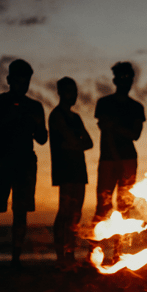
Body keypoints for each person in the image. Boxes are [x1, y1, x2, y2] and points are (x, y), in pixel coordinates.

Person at [0, 59, 47, 268]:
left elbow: (42, 139)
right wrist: (7, 118)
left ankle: (15, 260)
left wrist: (37, 123)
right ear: (9, 80)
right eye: (19, 81)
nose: (22, 86)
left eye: (26, 82)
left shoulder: (35, 106)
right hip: (1, 163)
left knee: (21, 213)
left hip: (25, 165)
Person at [49, 77, 93, 268]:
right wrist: (76, 143)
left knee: (76, 213)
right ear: (60, 92)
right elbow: (71, 139)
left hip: (79, 167)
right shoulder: (56, 115)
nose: (73, 95)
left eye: (75, 91)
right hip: (64, 167)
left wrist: (75, 144)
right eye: (69, 91)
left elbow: (89, 142)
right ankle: (61, 255)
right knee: (65, 211)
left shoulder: (76, 117)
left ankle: (70, 253)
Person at [93, 62, 145, 223]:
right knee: (103, 204)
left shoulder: (136, 107)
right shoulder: (104, 103)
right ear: (115, 80)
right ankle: (93, 247)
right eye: (121, 77)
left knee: (125, 206)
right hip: (108, 159)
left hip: (128, 160)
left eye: (128, 78)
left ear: (131, 81)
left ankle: (119, 248)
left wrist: (113, 125)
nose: (125, 81)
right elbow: (105, 129)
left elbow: (135, 135)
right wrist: (116, 157)